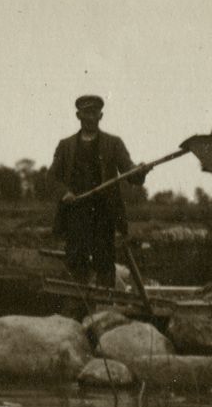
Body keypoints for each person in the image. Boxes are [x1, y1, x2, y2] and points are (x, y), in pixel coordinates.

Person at [51, 94, 143, 286]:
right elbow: (51, 178)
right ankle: (78, 309)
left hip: (104, 215)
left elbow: (130, 172)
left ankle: (105, 310)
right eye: (86, 113)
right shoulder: (65, 146)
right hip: (76, 213)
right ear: (78, 115)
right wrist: (64, 193)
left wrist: (140, 170)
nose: (90, 117)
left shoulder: (113, 143)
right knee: (76, 263)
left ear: (101, 115)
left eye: (94, 113)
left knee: (104, 264)